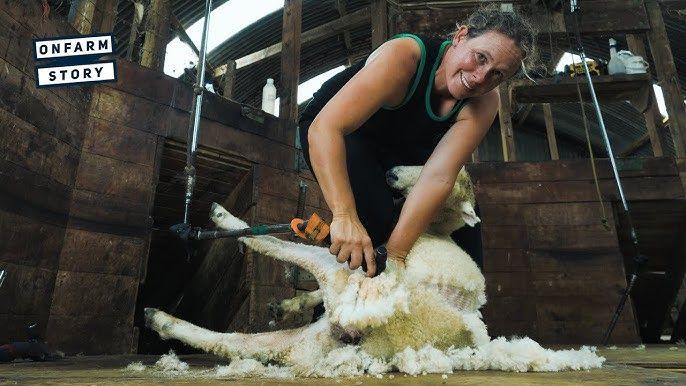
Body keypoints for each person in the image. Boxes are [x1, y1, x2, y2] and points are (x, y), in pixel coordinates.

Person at [298, 6, 537, 277]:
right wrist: (344, 216)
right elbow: (326, 128)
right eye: (480, 58)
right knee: (374, 219)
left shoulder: (485, 103)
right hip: (341, 131)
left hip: (401, 148)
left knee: (465, 227)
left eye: (497, 74)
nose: (480, 78)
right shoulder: (405, 57)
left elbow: (438, 177)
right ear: (460, 37)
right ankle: (335, 309)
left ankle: (460, 317)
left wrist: (396, 257)